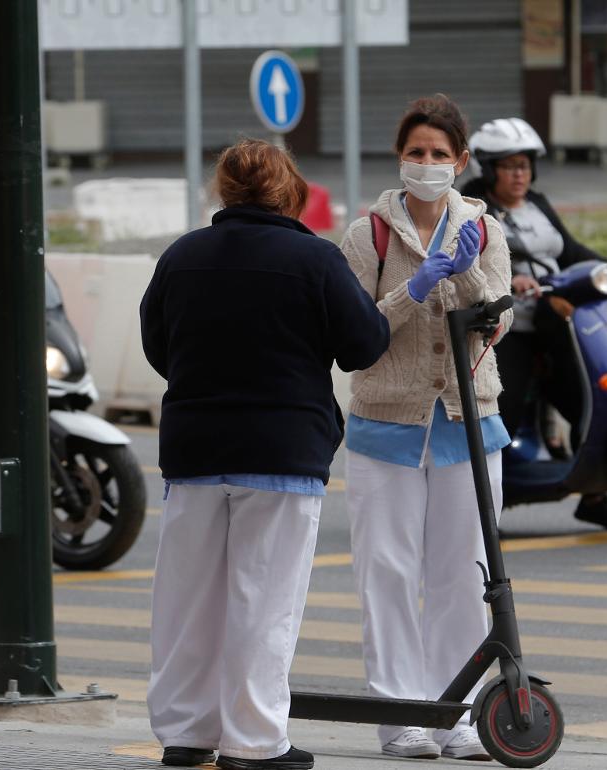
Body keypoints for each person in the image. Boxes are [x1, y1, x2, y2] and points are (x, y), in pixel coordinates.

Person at [141, 139, 389, 770]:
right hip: (283, 453)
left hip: (195, 451)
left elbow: (157, 345)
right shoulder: (315, 259)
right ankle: (254, 741)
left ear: (223, 190)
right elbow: (363, 345)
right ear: (287, 189)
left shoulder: (182, 256)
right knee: (264, 601)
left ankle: (186, 732)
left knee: (187, 600)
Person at [338, 94, 513, 761]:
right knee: (384, 572)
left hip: (469, 427)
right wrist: (409, 293)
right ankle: (401, 716)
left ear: (462, 161)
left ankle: (457, 715)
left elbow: (498, 322)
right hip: (385, 425)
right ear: (400, 158)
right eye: (417, 152)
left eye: (441, 154)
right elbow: (354, 334)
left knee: (460, 577)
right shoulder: (367, 236)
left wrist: (466, 272)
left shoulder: (485, 231)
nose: (428, 164)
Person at [460, 117, 607, 530]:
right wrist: (509, 278)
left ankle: (595, 494)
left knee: (588, 401)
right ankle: (485, 511)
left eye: (525, 165)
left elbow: (571, 250)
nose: (520, 174)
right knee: (504, 414)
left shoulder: (536, 203)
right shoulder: (471, 208)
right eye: (509, 165)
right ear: (488, 169)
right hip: (507, 330)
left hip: (556, 326)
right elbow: (468, 259)